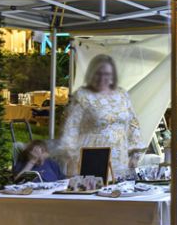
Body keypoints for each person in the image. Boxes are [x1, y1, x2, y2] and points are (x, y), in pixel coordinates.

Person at [58, 54, 145, 182]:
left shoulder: (122, 95)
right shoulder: (82, 96)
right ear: (91, 74)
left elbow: (133, 124)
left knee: (119, 191)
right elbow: (71, 128)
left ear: (113, 76)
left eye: (107, 74)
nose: (102, 78)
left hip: (120, 159)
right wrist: (70, 159)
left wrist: (135, 154)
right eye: (98, 73)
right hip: (93, 158)